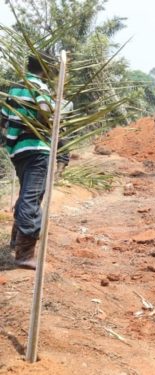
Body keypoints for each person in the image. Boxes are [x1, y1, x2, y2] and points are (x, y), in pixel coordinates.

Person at [1, 55, 54, 270]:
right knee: (32, 197)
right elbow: (45, 113)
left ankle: (15, 242)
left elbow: (3, 119)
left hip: (17, 151)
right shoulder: (39, 88)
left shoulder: (15, 89)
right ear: (45, 70)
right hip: (36, 149)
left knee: (27, 194)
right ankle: (24, 254)